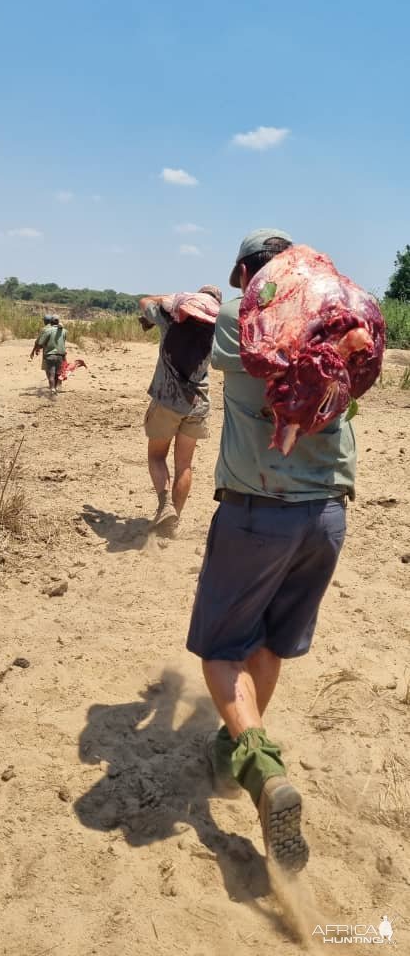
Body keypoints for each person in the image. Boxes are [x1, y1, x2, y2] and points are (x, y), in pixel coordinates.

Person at [186, 229, 356, 872]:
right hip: (328, 519)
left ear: (246, 273)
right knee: (269, 642)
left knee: (221, 648)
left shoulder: (242, 312)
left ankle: (261, 770)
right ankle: (235, 745)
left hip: (259, 513)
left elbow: (215, 316)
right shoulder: (338, 319)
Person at [139, 285, 222, 535]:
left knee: (156, 456)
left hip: (167, 400)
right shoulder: (217, 331)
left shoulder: (170, 322)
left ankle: (165, 505)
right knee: (184, 465)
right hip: (198, 404)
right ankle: (173, 520)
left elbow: (144, 301)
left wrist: (169, 298)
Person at [30, 314, 67, 396]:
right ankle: (57, 387)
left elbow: (39, 342)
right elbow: (63, 342)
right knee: (57, 374)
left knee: (51, 374)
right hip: (61, 355)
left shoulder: (47, 330)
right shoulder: (64, 331)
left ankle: (52, 389)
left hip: (49, 354)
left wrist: (36, 350)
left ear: (50, 321)